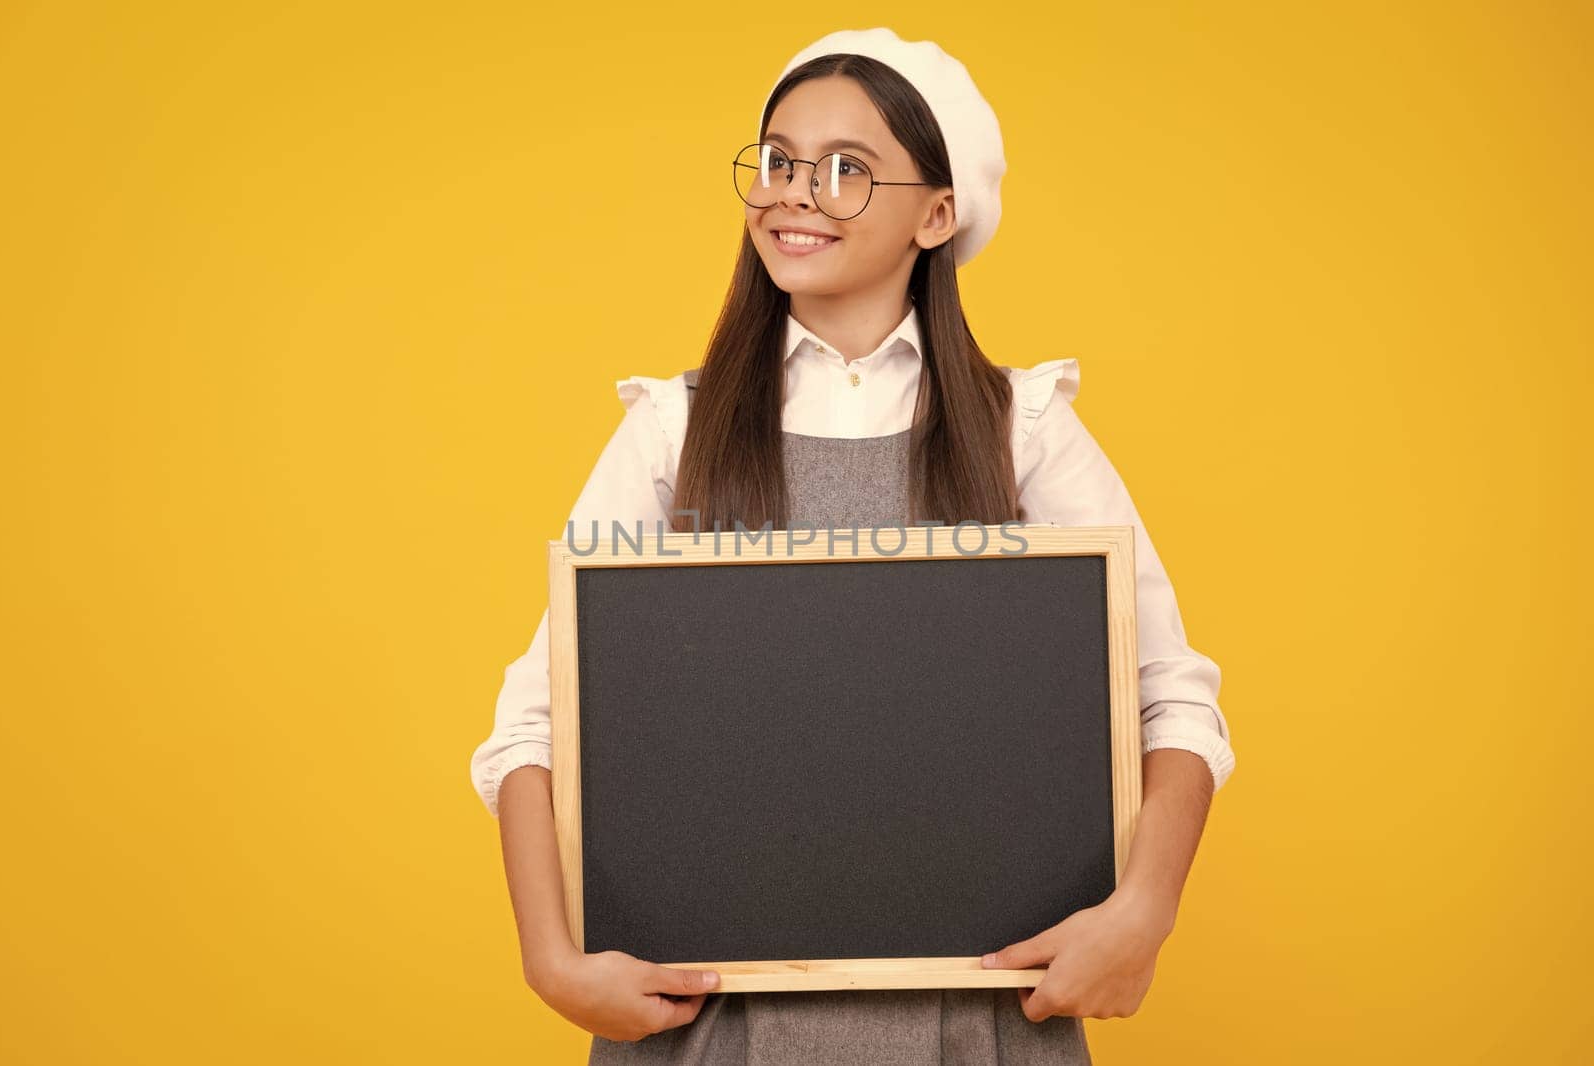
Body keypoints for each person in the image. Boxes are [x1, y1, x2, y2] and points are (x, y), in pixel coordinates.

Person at [470, 26, 1237, 1065]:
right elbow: (537, 717)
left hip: (972, 1020)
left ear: (937, 213)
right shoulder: (671, 430)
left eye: (844, 171)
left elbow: (1171, 695)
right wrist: (551, 962)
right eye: (778, 161)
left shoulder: (1024, 429)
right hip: (708, 1026)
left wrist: (1143, 910)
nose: (793, 192)